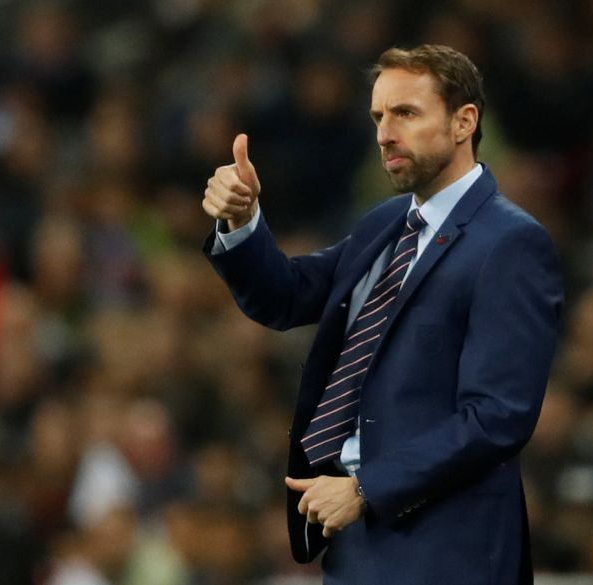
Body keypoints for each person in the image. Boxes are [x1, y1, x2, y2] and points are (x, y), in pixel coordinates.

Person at [202, 44, 563, 585]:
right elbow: (287, 297)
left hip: (450, 552)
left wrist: (368, 486)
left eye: (406, 113)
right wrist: (243, 220)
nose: (385, 134)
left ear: (464, 122)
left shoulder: (510, 243)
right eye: (378, 117)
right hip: (357, 541)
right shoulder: (386, 224)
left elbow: (497, 416)